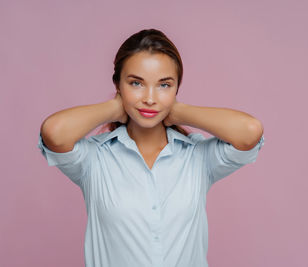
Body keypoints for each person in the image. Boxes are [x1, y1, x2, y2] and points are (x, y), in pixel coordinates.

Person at [37, 28, 265, 267]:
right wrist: (115, 108)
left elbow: (249, 131)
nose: (149, 98)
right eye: (136, 83)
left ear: (177, 87)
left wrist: (178, 111)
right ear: (118, 84)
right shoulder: (95, 158)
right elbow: (54, 132)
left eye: (164, 85)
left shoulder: (196, 157)